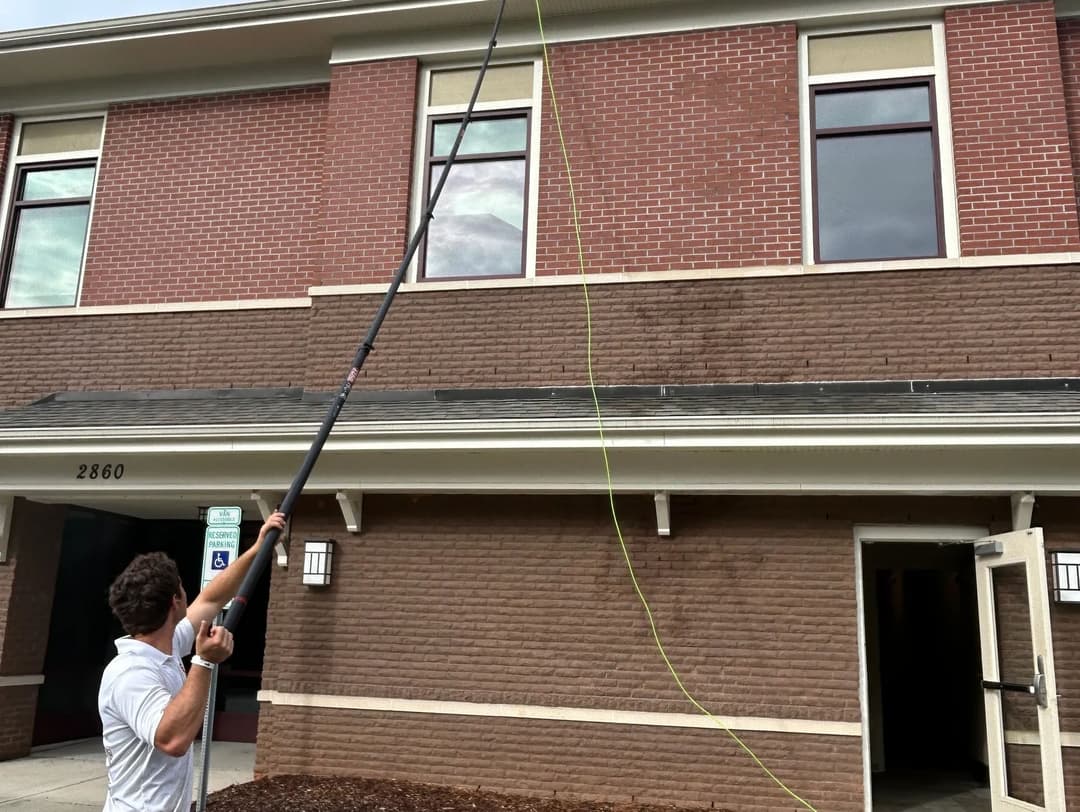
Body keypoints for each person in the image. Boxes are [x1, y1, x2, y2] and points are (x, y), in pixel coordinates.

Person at [97, 511, 287, 812]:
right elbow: (172, 740)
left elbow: (211, 599)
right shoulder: (130, 673)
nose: (189, 595)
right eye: (182, 588)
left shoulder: (167, 645)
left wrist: (258, 547)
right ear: (175, 601)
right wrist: (205, 661)